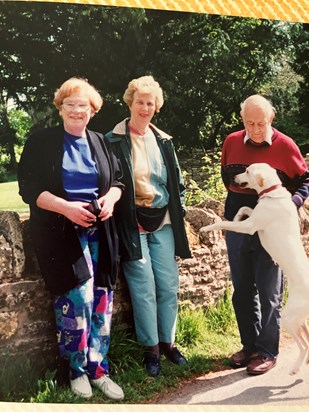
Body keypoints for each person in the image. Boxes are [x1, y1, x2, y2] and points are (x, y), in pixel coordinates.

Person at [18, 77, 125, 400]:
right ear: (60, 108)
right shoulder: (40, 142)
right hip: (61, 232)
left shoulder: (101, 142)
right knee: (77, 300)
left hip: (100, 231)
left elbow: (118, 180)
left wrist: (110, 200)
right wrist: (66, 208)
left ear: (93, 111)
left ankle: (99, 369)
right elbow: (30, 190)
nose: (78, 110)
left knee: (103, 298)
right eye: (71, 104)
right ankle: (76, 369)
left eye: (84, 105)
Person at [105, 75, 191, 377]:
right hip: (131, 223)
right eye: (140, 101)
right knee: (143, 287)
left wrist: (176, 207)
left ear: (157, 107)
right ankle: (151, 349)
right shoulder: (113, 139)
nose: (145, 107)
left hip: (163, 220)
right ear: (130, 102)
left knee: (168, 284)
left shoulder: (163, 140)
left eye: (150, 103)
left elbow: (177, 183)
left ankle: (169, 342)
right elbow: (110, 180)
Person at [221, 94, 309, 375]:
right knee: (242, 290)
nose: (256, 129)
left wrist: (292, 204)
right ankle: (249, 346)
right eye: (250, 123)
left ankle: (267, 351)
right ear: (242, 120)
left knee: (270, 290)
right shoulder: (232, 142)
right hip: (239, 222)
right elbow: (228, 178)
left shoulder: (285, 146)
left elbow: (305, 180)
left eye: (261, 123)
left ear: (271, 119)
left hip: (273, 228)